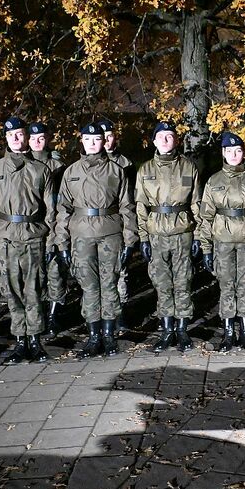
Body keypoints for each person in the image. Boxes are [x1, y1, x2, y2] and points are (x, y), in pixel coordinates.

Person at [56, 122, 137, 357]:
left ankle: (109, 336)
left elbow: (127, 207)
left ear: (104, 141)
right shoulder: (71, 172)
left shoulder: (116, 171)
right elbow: (63, 209)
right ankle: (93, 336)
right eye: (88, 139)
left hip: (110, 233)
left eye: (97, 139)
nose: (93, 144)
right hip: (82, 234)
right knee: (89, 285)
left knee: (109, 283)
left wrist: (130, 240)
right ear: (81, 141)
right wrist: (61, 242)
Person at [0, 116, 56, 365]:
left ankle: (35, 340)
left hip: (34, 234)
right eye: (10, 135)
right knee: (12, 291)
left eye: (19, 134)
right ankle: (19, 341)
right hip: (6, 236)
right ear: (5, 138)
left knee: (34, 288)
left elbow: (51, 210)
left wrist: (53, 240)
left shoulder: (40, 169)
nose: (15, 138)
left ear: (26, 136)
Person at [197, 132, 245, 353]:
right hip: (223, 241)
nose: (234, 155)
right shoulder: (214, 181)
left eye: (238, 151)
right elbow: (206, 216)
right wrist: (206, 248)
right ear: (223, 153)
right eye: (230, 151)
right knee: (226, 286)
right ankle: (229, 332)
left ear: (243, 153)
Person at [135, 121, 202, 352]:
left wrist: (199, 236)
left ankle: (182, 330)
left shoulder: (188, 167)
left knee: (183, 281)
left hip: (183, 231)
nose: (165, 140)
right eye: (161, 136)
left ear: (176, 140)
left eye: (170, 136)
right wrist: (143, 238)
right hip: (156, 233)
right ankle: (166, 330)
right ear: (154, 141)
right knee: (162, 283)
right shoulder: (145, 170)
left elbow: (196, 203)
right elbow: (141, 207)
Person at [28, 122, 68, 334]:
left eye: (41, 138)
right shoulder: (23, 164)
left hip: (52, 222)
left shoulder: (57, 166)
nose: (37, 142)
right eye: (33, 138)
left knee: (55, 272)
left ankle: (54, 313)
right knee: (35, 273)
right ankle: (39, 313)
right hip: (31, 225)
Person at [99, 118, 137, 329]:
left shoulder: (125, 164)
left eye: (110, 136)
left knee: (120, 270)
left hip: (120, 222)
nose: (106, 141)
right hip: (98, 223)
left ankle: (120, 311)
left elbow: (130, 198)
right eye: (102, 137)